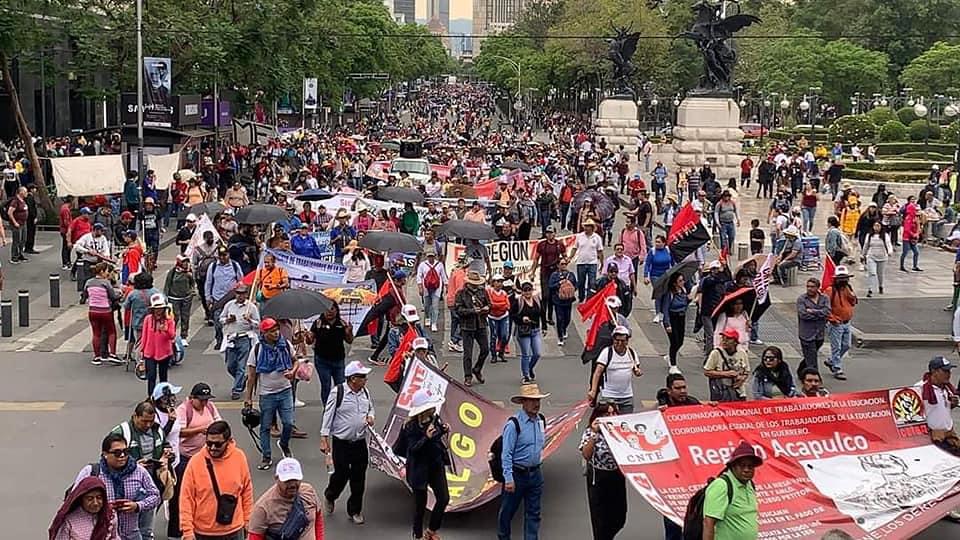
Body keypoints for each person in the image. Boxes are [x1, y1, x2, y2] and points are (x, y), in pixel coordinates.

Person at [72, 433, 160, 540]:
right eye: (117, 453)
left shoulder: (139, 471)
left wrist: (137, 506)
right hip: (101, 535)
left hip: (131, 535)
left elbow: (155, 496)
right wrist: (101, 507)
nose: (122, 456)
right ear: (105, 454)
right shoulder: (91, 472)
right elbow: (73, 499)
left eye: (126, 452)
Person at [320, 360, 375, 526]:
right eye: (362, 377)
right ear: (353, 379)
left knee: (359, 478)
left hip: (359, 442)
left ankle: (355, 510)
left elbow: (371, 408)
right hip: (341, 443)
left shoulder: (365, 392)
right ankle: (331, 495)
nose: (365, 379)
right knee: (341, 475)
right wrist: (324, 437)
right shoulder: (338, 393)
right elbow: (328, 414)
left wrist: (371, 417)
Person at [179, 420, 254, 540]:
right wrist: (187, 530)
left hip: (234, 531)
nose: (212, 448)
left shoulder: (239, 457)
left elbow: (246, 491)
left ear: (228, 441)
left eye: (218, 444)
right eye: (209, 443)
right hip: (203, 533)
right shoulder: (195, 462)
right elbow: (186, 499)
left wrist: (248, 521)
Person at [391, 389, 451, 540]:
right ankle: (417, 536)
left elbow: (437, 437)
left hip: (435, 465)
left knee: (443, 498)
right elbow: (413, 449)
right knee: (420, 507)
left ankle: (431, 531)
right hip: (419, 469)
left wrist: (443, 430)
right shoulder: (411, 427)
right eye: (430, 407)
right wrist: (426, 437)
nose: (433, 409)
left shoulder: (434, 419)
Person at [243, 317, 300, 470]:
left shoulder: (285, 345)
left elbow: (296, 361)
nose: (276, 333)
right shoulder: (257, 349)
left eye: (276, 330)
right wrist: (248, 398)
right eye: (271, 331)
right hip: (267, 395)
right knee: (265, 427)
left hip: (285, 391)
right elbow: (252, 376)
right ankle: (266, 456)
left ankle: (284, 443)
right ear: (264, 333)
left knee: (288, 423)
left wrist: (293, 372)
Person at [169, 382, 222, 539]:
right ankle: (175, 531)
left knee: (206, 493)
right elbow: (179, 432)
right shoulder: (184, 410)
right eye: (201, 400)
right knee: (181, 495)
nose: (204, 403)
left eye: (206, 399)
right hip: (186, 458)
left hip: (206, 458)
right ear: (192, 398)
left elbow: (219, 423)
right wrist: (199, 430)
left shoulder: (210, 407)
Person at [498, 383, 550, 540]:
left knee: (534, 513)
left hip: (535, 474)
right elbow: (506, 453)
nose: (536, 404)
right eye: (531, 400)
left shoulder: (541, 420)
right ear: (523, 402)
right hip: (517, 474)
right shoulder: (513, 425)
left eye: (538, 401)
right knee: (507, 512)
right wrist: (508, 478)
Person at [579, 402, 627, 540]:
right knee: (600, 519)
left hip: (617, 476)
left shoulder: (621, 431)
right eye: (607, 414)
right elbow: (586, 455)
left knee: (619, 517)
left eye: (613, 414)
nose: (611, 417)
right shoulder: (590, 431)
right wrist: (594, 434)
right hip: (598, 477)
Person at [248, 457, 324, 540]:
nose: (292, 485)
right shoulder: (263, 508)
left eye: (296, 480)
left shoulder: (309, 492)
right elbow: (255, 537)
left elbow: (318, 519)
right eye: (287, 481)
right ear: (277, 478)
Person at [702, 441, 762, 540]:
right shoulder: (722, 485)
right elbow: (708, 523)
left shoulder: (749, 484)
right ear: (733, 466)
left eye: (750, 466)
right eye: (742, 465)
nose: (746, 470)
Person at [306, 302, 353, 405]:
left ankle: (340, 407)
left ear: (337, 310)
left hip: (338, 360)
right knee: (326, 386)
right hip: (322, 360)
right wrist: (308, 337)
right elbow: (309, 341)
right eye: (327, 309)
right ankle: (327, 409)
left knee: (340, 385)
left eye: (332, 309)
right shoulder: (318, 323)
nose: (329, 312)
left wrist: (349, 332)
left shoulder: (342, 323)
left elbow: (349, 340)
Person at [587, 325, 642, 413]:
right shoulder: (607, 352)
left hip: (627, 396)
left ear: (627, 341)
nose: (620, 343)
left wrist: (637, 372)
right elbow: (597, 373)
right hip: (609, 396)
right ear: (613, 340)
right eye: (617, 341)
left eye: (623, 341)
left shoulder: (631, 353)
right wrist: (593, 390)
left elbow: (636, 369)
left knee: (626, 422)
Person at [220, 284, 260, 400]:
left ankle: (236, 389)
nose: (240, 296)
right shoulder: (229, 305)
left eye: (242, 293)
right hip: (231, 338)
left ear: (246, 295)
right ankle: (241, 380)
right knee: (230, 365)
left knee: (241, 366)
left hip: (244, 338)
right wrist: (228, 320)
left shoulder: (251, 307)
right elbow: (221, 319)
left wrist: (250, 320)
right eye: (238, 293)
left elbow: (258, 324)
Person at [50, 475, 119, 540]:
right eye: (90, 498)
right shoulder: (69, 520)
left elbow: (114, 537)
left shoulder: (110, 516)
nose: (95, 503)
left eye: (99, 497)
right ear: (81, 499)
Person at [455, 270, 491, 387]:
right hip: (467, 326)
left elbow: (490, 305)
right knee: (468, 353)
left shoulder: (483, 292)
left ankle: (477, 369)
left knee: (485, 349)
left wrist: (486, 308)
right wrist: (471, 311)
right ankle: (468, 376)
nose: (476, 286)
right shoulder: (461, 294)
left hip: (481, 324)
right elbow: (458, 310)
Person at [83, 262, 122, 366]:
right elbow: (113, 296)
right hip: (105, 310)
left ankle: (97, 357)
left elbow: (85, 295)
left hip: (93, 310)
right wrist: (120, 295)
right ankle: (112, 354)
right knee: (111, 332)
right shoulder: (105, 283)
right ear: (102, 272)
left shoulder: (88, 282)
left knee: (96, 333)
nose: (107, 273)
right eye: (106, 271)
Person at [205, 247, 243, 350]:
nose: (222, 258)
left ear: (228, 255)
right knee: (218, 322)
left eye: (224, 255)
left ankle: (231, 339)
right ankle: (219, 340)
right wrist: (208, 298)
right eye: (220, 255)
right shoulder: (212, 267)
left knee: (232, 321)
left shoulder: (235, 266)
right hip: (218, 300)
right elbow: (208, 283)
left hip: (231, 299)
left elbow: (241, 281)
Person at [139, 293, 176, 395]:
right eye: (156, 308)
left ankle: (164, 396)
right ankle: (151, 397)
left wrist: (166, 330)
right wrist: (142, 350)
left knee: (163, 377)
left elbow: (172, 336)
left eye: (160, 308)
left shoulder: (169, 320)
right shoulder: (148, 319)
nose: (158, 310)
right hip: (149, 352)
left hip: (164, 352)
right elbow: (144, 335)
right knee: (151, 376)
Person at [823, 266, 856, 381]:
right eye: (841, 278)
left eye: (845, 278)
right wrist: (832, 319)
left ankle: (831, 360)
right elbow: (825, 308)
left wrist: (851, 293)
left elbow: (853, 302)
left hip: (847, 322)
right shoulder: (830, 291)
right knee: (836, 347)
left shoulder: (847, 288)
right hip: (836, 323)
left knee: (846, 345)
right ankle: (837, 368)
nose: (843, 281)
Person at [512, 281, 546, 383]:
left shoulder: (537, 300)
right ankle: (525, 375)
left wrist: (544, 327)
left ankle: (530, 368)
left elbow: (542, 313)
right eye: (525, 290)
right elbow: (512, 315)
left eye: (529, 290)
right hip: (523, 331)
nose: (527, 293)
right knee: (526, 354)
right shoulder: (518, 302)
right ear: (522, 292)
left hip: (535, 330)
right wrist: (522, 319)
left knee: (537, 353)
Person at [703, 328, 750, 402]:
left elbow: (746, 371)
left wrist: (742, 379)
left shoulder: (742, 353)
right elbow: (707, 372)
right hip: (721, 392)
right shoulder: (716, 353)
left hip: (739, 392)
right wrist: (726, 374)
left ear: (735, 342)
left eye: (728, 339)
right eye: (723, 338)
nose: (724, 341)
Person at [659, 272, 690, 374]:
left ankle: (670, 356)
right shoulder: (670, 294)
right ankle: (673, 364)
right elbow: (665, 309)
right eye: (680, 281)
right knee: (674, 341)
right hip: (672, 318)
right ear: (674, 283)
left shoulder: (683, 291)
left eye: (683, 280)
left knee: (680, 341)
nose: (683, 282)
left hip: (681, 318)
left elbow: (685, 303)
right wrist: (667, 324)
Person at [163, 255, 196, 345]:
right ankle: (172, 335)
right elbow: (167, 284)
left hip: (186, 298)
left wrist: (192, 291)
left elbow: (192, 283)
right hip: (174, 298)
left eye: (187, 261)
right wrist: (165, 296)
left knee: (185, 317)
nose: (185, 263)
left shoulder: (189, 272)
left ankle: (184, 336)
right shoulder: (172, 272)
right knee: (175, 317)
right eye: (183, 261)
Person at [570, 219, 604, 302]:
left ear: (592, 228)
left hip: (592, 263)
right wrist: (570, 257)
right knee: (581, 282)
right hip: (581, 262)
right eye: (585, 226)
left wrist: (602, 263)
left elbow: (600, 251)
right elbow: (575, 248)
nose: (586, 228)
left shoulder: (597, 238)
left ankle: (589, 299)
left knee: (592, 282)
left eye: (588, 226)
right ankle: (581, 297)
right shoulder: (579, 236)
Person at [547, 257, 577, 346]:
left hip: (568, 300)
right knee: (560, 319)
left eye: (565, 264)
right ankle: (560, 336)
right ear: (558, 265)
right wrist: (559, 284)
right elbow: (550, 286)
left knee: (567, 318)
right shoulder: (554, 275)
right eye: (562, 264)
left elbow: (576, 284)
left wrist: (570, 289)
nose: (564, 266)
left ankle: (564, 329)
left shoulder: (571, 275)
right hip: (558, 301)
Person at [416, 249, 446, 332]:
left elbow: (443, 276)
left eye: (432, 256)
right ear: (426, 256)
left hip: (437, 288)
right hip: (426, 288)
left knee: (435, 306)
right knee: (426, 305)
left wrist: (446, 286)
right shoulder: (422, 265)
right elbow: (419, 276)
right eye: (429, 256)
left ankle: (434, 323)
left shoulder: (439, 265)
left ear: (435, 256)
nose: (430, 258)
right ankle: (427, 317)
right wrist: (420, 287)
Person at [644, 235, 672, 323]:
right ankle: (657, 313)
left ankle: (665, 313)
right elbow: (647, 264)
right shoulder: (652, 251)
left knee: (667, 294)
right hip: (655, 275)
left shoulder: (668, 250)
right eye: (656, 242)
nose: (657, 244)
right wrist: (646, 276)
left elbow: (673, 262)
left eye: (659, 242)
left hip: (666, 275)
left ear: (664, 243)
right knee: (658, 294)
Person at [863, 221, 892, 297]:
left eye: (878, 225)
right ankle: (870, 289)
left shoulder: (885, 236)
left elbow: (888, 244)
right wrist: (863, 254)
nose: (876, 227)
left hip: (882, 257)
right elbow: (866, 245)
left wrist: (890, 251)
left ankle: (880, 285)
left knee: (880, 274)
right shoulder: (869, 235)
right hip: (871, 256)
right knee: (872, 273)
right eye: (875, 225)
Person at [899, 195, 922, 272]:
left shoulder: (915, 218)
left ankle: (915, 266)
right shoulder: (908, 218)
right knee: (905, 252)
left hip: (913, 237)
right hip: (907, 237)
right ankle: (901, 266)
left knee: (916, 252)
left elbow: (918, 225)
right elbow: (907, 229)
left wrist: (917, 233)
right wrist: (913, 234)